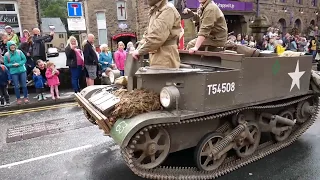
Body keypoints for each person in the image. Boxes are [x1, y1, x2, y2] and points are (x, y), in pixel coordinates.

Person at [131, 0, 181, 69]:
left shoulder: (167, 9)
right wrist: (139, 48)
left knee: (163, 79)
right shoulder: (156, 10)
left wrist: (140, 51)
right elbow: (148, 33)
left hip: (165, 55)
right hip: (157, 53)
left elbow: (157, 37)